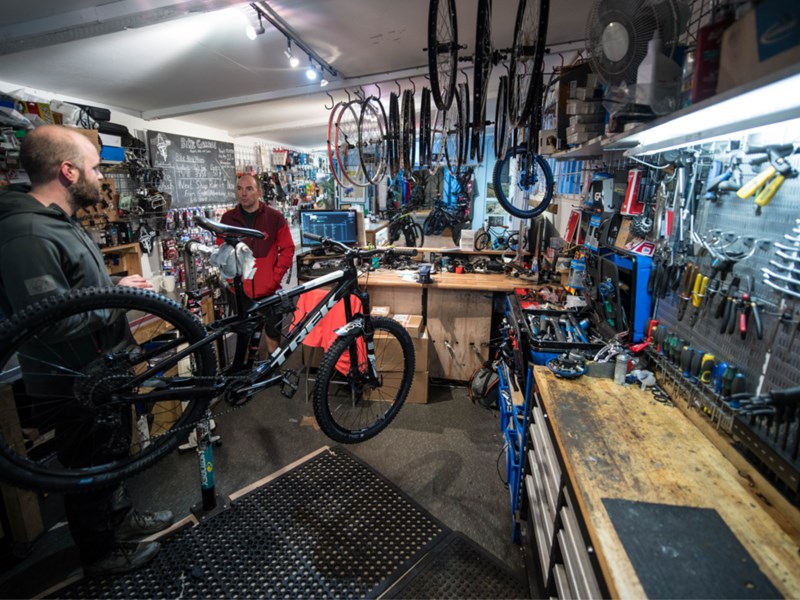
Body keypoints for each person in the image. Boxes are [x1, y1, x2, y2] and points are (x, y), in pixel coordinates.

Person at [0, 125, 174, 576]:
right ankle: (99, 553)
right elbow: (51, 319)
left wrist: (114, 286)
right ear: (67, 170)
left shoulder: (58, 222)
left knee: (113, 453)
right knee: (88, 470)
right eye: (96, 168)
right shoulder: (28, 235)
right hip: (76, 381)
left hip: (103, 368)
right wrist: (116, 301)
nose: (103, 179)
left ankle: (123, 519)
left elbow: (73, 292)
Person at [220, 174, 295, 354]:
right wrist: (232, 283)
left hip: (269, 291)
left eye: (249, 189)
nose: (243, 193)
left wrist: (274, 277)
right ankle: (246, 378)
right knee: (245, 338)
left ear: (259, 192)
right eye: (239, 189)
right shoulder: (227, 219)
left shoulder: (274, 217)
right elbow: (222, 253)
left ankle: (273, 372)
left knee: (272, 334)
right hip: (239, 292)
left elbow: (288, 248)